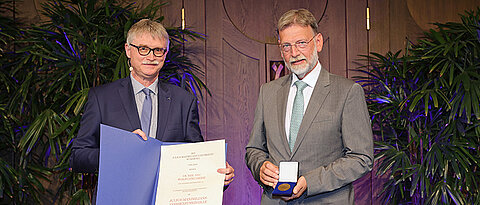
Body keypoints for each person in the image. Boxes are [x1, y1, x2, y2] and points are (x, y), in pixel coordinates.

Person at [70, 19, 234, 197]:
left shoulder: (183, 101)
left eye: (158, 50)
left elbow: (194, 157)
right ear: (128, 50)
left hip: (169, 198)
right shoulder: (102, 98)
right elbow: (78, 156)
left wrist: (217, 175)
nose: (151, 57)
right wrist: (118, 151)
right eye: (143, 49)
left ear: (165, 53)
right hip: (118, 197)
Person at [245, 9, 373, 204]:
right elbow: (254, 149)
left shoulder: (347, 92)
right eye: (286, 46)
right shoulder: (267, 92)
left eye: (301, 43)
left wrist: (310, 181)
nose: (294, 53)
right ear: (280, 50)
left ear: (318, 42)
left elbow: (361, 158)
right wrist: (260, 167)